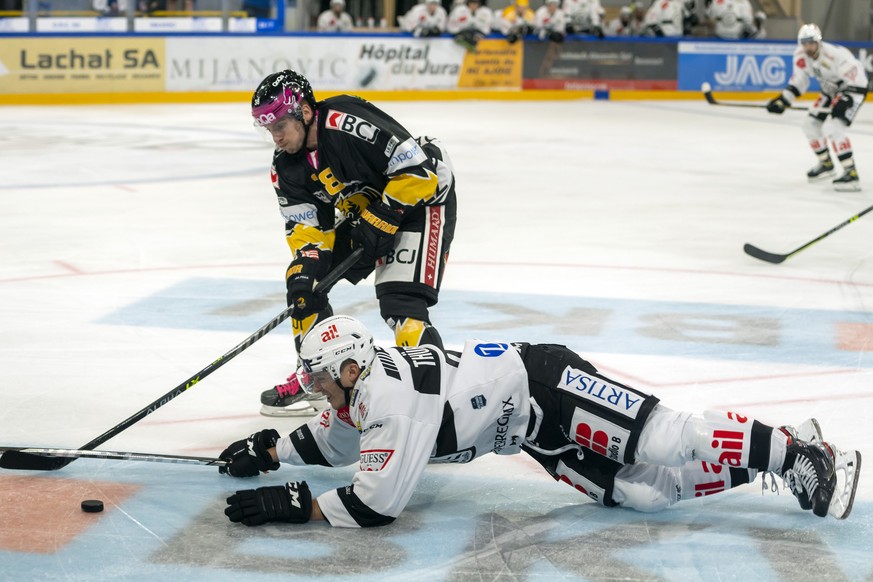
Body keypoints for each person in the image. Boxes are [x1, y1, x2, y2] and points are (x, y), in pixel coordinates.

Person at [219, 315, 861, 528]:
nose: (312, 388)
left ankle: (796, 454)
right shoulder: (358, 393)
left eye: (318, 377)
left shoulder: (388, 400)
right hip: (532, 430)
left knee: (664, 438)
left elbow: (377, 504)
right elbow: (336, 440)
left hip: (544, 383)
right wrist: (273, 450)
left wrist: (297, 506)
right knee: (643, 493)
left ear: (350, 368)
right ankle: (779, 455)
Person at [251, 71, 457, 417]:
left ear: (304, 111)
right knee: (306, 284)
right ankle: (318, 380)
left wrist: (385, 214)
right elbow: (306, 227)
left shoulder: (346, 121)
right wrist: (307, 262)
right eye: (269, 129)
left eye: (280, 126)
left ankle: (433, 403)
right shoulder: (286, 166)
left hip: (422, 200)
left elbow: (418, 171)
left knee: (402, 304)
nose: (276, 137)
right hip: (369, 209)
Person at [766, 24, 867, 192]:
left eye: (811, 43)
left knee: (833, 127)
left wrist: (846, 100)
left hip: (852, 90)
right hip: (830, 91)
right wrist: (783, 100)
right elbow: (800, 81)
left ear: (818, 42)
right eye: (804, 43)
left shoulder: (834, 55)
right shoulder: (800, 55)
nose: (808, 47)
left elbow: (858, 79)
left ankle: (851, 172)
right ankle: (826, 163)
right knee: (810, 124)